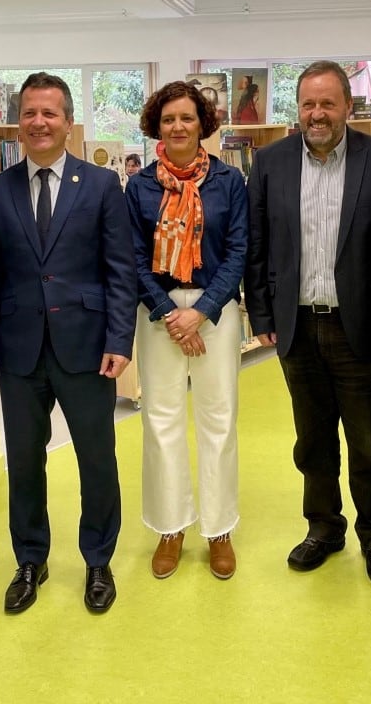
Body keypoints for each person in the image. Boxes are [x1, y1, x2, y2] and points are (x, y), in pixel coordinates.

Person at [0, 72, 137, 615]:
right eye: (30, 113)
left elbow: (120, 271)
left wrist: (120, 338)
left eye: (51, 114)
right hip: (18, 351)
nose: (39, 123)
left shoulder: (102, 186)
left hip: (87, 347)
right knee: (23, 461)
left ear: (68, 122)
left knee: (96, 459)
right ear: (19, 123)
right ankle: (30, 559)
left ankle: (97, 560)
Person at [245, 60, 371, 584]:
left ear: (347, 107)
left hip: (359, 326)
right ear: (297, 109)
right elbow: (257, 245)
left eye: (327, 103)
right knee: (311, 440)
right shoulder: (269, 162)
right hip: (297, 326)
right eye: (308, 104)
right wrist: (263, 314)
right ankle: (323, 526)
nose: (317, 114)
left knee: (367, 442)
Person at [125, 81, 248, 580]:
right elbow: (131, 256)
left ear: (203, 124)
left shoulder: (228, 181)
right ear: (158, 125)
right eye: (169, 119)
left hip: (214, 312)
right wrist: (167, 312)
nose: (178, 126)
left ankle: (218, 530)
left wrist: (201, 311)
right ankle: (170, 525)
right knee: (161, 421)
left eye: (187, 118)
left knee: (218, 421)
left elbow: (238, 250)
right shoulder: (140, 186)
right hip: (157, 315)